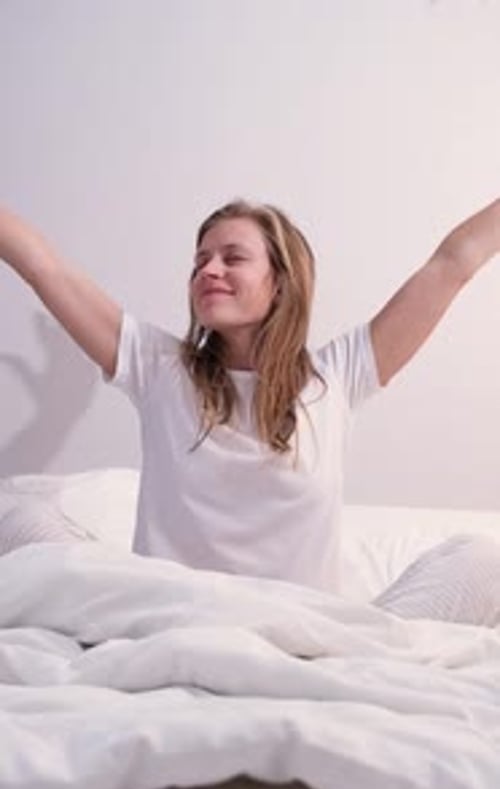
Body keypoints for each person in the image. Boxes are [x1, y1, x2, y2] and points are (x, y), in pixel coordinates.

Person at [1, 197, 499, 596]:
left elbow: (453, 262)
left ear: (280, 282)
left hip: (301, 634)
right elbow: (44, 267)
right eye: (200, 261)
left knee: (483, 563)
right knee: (19, 519)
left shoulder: (338, 376)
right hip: (169, 620)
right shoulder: (159, 369)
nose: (208, 270)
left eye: (232, 258)